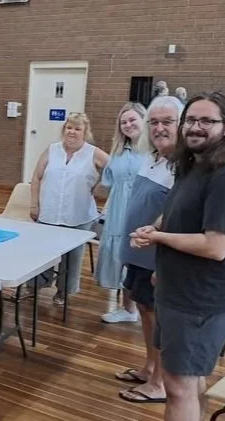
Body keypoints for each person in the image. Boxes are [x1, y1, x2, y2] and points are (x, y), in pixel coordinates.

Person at [130, 92, 225, 421]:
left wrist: (159, 238)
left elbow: (217, 246)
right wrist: (157, 229)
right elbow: (180, 212)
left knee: (178, 387)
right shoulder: (195, 164)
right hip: (177, 291)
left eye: (206, 121)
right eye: (190, 120)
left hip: (200, 301)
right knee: (189, 381)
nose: (195, 127)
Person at [114, 96, 182, 403]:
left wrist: (154, 234)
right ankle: (149, 368)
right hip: (139, 250)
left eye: (167, 122)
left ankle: (159, 383)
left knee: (157, 315)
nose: (159, 128)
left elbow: (176, 212)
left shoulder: (182, 165)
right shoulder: (151, 156)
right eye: (153, 122)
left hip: (157, 253)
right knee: (144, 308)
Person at [30, 112, 109, 304]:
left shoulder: (93, 153)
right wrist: (34, 204)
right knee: (42, 252)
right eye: (69, 127)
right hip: (49, 212)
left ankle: (63, 292)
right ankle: (36, 286)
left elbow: (116, 171)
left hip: (79, 215)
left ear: (85, 132)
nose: (72, 132)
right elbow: (36, 177)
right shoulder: (52, 149)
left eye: (77, 129)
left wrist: (99, 187)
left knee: (72, 258)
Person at [96, 102, 146, 323]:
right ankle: (128, 309)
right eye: (123, 122)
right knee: (121, 256)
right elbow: (109, 183)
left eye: (132, 120)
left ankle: (145, 308)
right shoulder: (117, 152)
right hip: (118, 209)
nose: (128, 125)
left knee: (139, 258)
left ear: (144, 120)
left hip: (142, 208)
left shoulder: (154, 152)